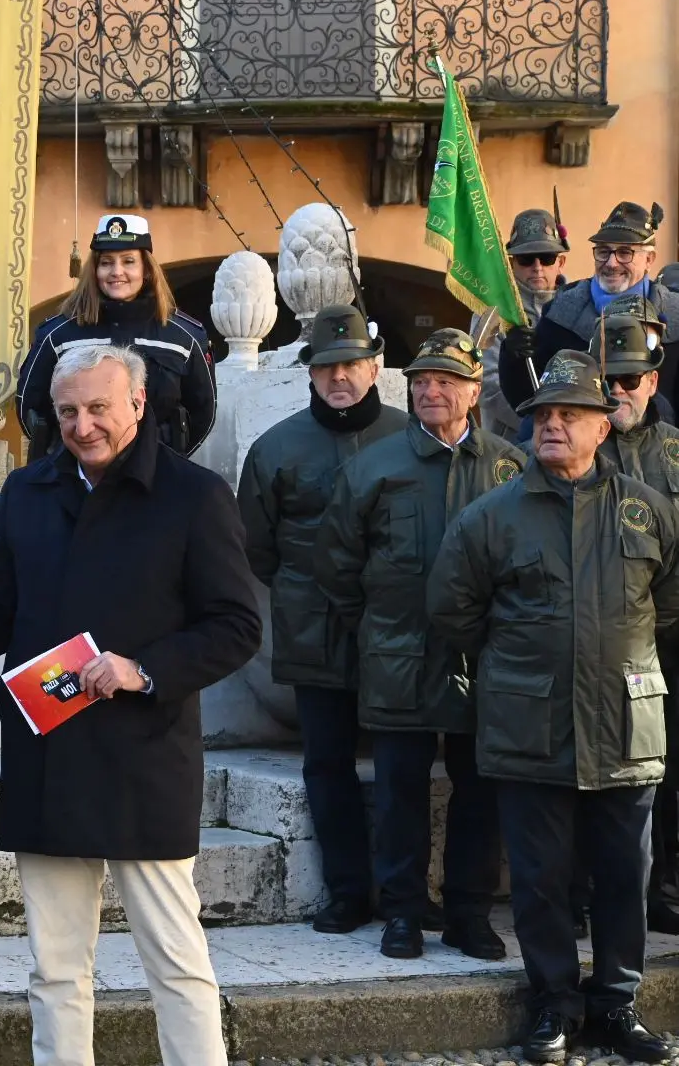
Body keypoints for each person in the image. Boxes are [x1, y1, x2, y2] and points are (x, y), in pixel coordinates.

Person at [0, 344, 261, 1065]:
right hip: (46, 758)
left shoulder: (195, 496)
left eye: (99, 408)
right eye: (68, 412)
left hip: (144, 759)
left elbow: (236, 627)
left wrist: (141, 669)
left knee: (176, 965)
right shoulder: (28, 491)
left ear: (138, 405)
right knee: (55, 970)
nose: (83, 425)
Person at [428, 349, 679, 1065]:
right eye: (543, 415)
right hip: (528, 724)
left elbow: (670, 603)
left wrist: (607, 652)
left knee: (625, 877)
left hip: (624, 726)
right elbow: (453, 612)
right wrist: (527, 665)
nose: (552, 427)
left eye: (570, 415)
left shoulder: (649, 511)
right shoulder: (491, 517)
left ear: (605, 427)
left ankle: (618, 1005)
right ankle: (554, 1005)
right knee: (540, 881)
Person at [315, 330, 522, 961]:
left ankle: (469, 913)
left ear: (472, 390)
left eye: (446, 381)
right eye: (422, 382)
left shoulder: (509, 466)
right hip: (398, 658)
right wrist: (377, 626)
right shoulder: (374, 466)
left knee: (481, 790)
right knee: (401, 790)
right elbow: (336, 562)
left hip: (485, 662)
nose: (431, 391)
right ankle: (401, 913)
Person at [237, 303, 408, 936]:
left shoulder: (408, 437)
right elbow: (255, 546)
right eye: (328, 366)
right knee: (327, 764)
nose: (341, 377)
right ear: (310, 373)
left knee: (399, 766)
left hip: (397, 633)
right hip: (314, 628)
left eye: (352, 364)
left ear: (375, 366)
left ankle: (402, 895)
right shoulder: (276, 448)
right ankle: (347, 893)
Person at [580, 296, 679, 935]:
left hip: (668, 637)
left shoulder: (676, 449)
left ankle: (662, 886)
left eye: (630, 378)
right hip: (597, 638)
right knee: (597, 773)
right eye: (608, 379)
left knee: (666, 771)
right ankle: (594, 891)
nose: (619, 391)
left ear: (653, 380)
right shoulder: (576, 444)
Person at [18, 215, 215, 461]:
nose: (116, 272)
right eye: (106, 263)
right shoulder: (58, 335)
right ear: (95, 270)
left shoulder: (184, 336)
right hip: (76, 478)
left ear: (146, 270)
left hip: (157, 477)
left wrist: (168, 466)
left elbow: (203, 412)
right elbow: (30, 408)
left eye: (128, 261)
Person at [501, 201, 679, 425]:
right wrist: (512, 357)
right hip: (580, 453)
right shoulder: (561, 311)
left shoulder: (675, 314)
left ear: (649, 260)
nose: (611, 263)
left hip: (659, 451)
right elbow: (528, 398)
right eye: (603, 252)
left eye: (625, 253)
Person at [478, 209, 570, 441]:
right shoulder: (493, 312)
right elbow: (486, 385)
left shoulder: (578, 305)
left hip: (569, 439)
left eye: (546, 257)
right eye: (526, 259)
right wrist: (538, 423)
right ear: (512, 263)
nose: (537, 266)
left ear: (561, 261)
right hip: (510, 444)